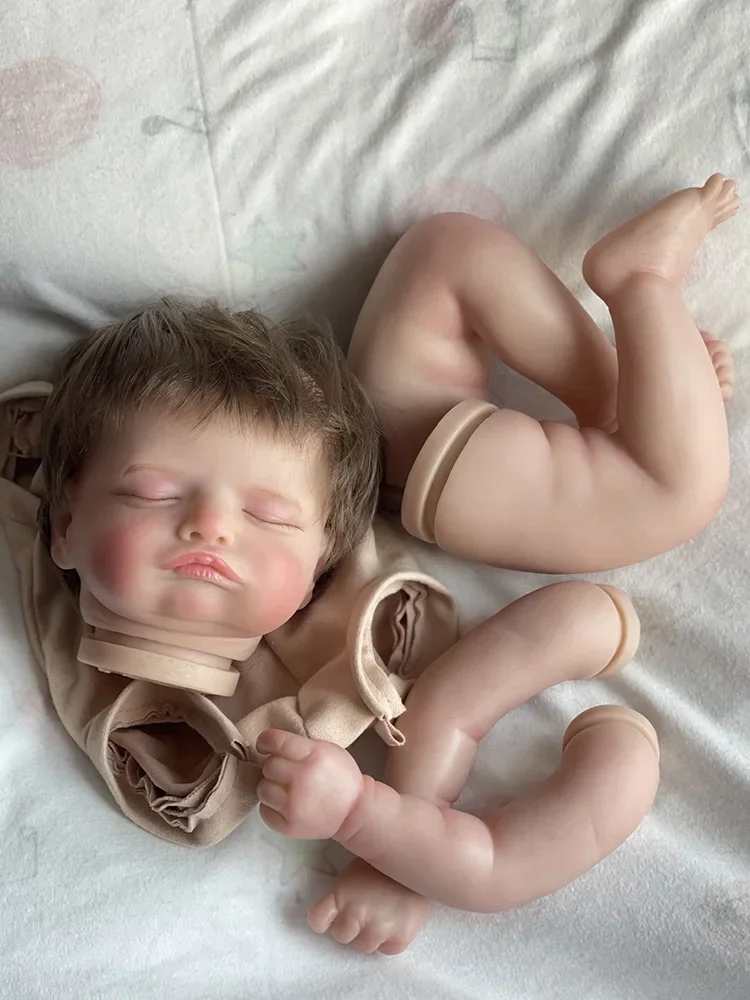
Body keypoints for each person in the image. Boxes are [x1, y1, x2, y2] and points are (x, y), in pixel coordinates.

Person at [347, 174, 737, 572]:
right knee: (446, 253)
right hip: (400, 452)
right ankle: (654, 389)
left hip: (389, 455)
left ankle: (643, 293)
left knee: (678, 487)